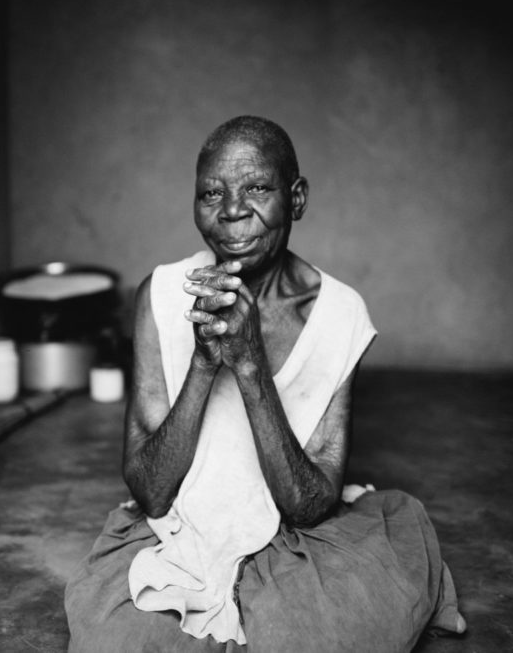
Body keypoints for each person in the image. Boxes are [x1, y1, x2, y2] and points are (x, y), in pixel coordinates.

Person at [64, 116, 465, 652]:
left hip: (298, 534)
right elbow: (151, 492)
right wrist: (205, 365)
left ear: (296, 198)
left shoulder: (339, 314)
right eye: (211, 193)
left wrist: (250, 367)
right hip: (179, 530)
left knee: (333, 634)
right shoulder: (160, 295)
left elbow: (310, 505)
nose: (232, 211)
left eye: (257, 187)